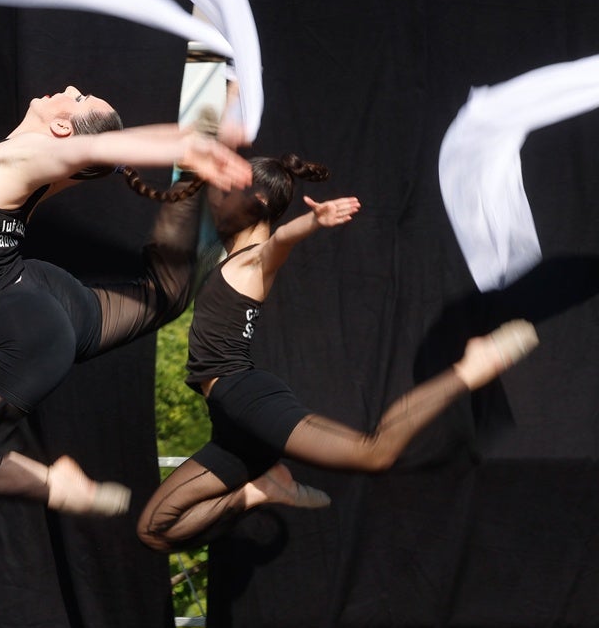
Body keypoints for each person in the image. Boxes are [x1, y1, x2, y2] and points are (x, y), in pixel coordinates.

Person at [137, 152, 539, 551]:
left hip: (245, 397)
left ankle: (468, 370)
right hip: (230, 418)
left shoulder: (254, 259)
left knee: (374, 452)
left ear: (256, 201)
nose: (216, 201)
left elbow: (279, 241)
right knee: (155, 531)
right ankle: (261, 490)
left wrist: (313, 222)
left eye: (225, 194)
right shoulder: (231, 254)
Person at [0, 86, 253, 515]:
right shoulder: (32, 167)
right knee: (163, 297)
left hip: (25, 325)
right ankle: (203, 200)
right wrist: (200, 138)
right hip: (44, 298)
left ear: (63, 128)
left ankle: (57, 486)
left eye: (78, 101)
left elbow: (97, 149)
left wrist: (190, 143)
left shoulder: (20, 156)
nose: (70, 90)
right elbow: (102, 152)